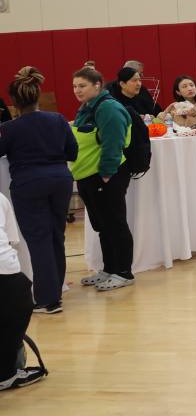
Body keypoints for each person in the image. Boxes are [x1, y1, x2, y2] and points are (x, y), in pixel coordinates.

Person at [0, 67, 77, 314]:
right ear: (37, 96)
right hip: (60, 180)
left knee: (39, 240)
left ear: (14, 102)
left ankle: (47, 299)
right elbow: (72, 152)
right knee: (56, 236)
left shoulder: (11, 128)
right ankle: (55, 292)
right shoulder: (57, 119)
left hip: (28, 184)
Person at [70, 67, 135, 292]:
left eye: (82, 85)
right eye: (75, 86)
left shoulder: (108, 108)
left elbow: (113, 142)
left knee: (115, 223)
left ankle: (124, 272)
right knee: (103, 226)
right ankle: (109, 269)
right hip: (88, 175)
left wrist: (107, 173)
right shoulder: (87, 107)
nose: (77, 90)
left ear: (97, 85)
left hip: (106, 176)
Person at [0, 195, 45, 390]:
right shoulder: (1, 199)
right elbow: (12, 241)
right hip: (5, 271)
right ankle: (5, 374)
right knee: (19, 298)